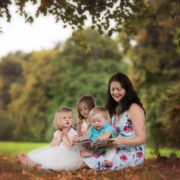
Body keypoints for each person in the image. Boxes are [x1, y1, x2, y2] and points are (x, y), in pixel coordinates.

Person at [82, 72, 146, 170]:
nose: (115, 93)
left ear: (126, 90)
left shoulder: (134, 108)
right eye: (112, 89)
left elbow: (142, 138)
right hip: (115, 149)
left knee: (90, 162)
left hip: (132, 152)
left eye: (119, 89)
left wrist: (121, 141)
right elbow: (110, 134)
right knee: (85, 156)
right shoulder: (116, 109)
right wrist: (96, 142)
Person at [14, 107, 83, 170]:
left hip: (69, 154)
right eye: (64, 118)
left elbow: (69, 146)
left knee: (52, 159)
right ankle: (29, 161)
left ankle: (32, 164)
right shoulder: (58, 132)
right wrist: (58, 140)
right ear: (59, 121)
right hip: (58, 151)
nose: (67, 119)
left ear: (72, 120)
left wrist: (64, 137)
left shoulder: (73, 132)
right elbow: (52, 145)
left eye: (70, 117)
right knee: (45, 155)